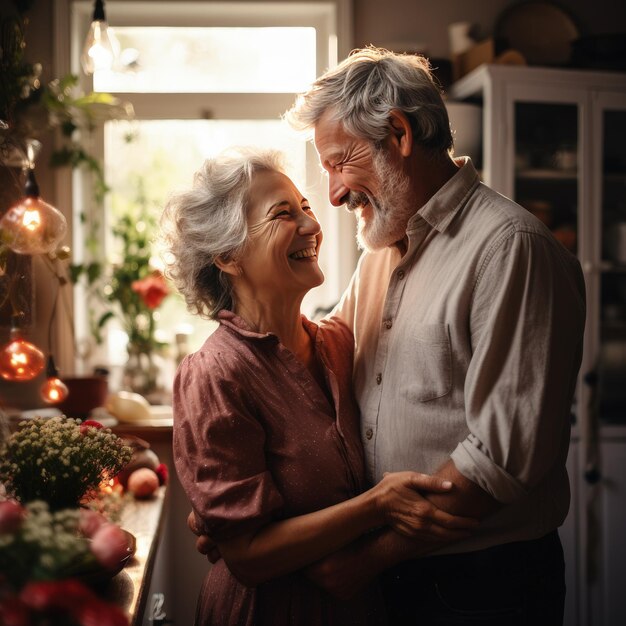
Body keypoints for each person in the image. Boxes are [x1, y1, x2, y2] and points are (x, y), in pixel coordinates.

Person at [277, 47, 587, 625]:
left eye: (340, 162)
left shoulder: (510, 248)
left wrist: (365, 559)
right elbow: (326, 354)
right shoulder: (384, 248)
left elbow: (499, 459)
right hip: (399, 572)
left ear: (397, 133)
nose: (335, 194)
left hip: (484, 585)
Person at [161, 147, 477, 626]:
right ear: (227, 255)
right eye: (283, 214)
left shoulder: (337, 342)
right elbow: (247, 558)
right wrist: (377, 505)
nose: (312, 226)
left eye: (306, 207)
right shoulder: (214, 373)